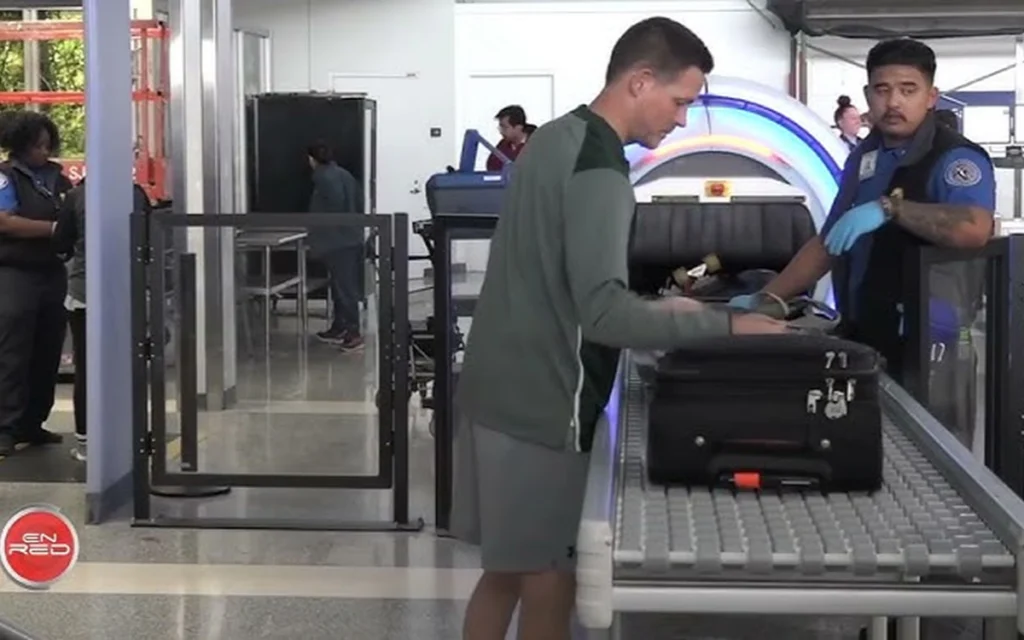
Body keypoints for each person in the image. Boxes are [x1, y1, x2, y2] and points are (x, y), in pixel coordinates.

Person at [451, 17, 788, 640]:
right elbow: (603, 315)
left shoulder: (556, 138)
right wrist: (730, 325)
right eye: (681, 101)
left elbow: (560, 275)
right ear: (640, 81)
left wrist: (667, 308)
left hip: (493, 389)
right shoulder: (602, 171)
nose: (682, 120)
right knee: (549, 577)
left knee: (504, 570)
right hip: (543, 405)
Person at [729, 39, 995, 448]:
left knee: (936, 462)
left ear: (931, 97)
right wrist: (768, 297)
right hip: (866, 338)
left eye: (908, 89)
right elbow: (829, 241)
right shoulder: (865, 155)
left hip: (932, 349)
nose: (894, 102)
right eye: (883, 89)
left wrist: (892, 209)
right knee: (867, 451)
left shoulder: (955, 158)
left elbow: (975, 228)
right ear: (868, 94)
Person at [0, 110, 77, 456]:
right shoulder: (5, 178)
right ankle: (5, 427)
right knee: (12, 352)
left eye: (48, 145)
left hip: (51, 272)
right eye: (37, 145)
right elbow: (4, 222)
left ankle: (34, 422)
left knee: (48, 351)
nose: (44, 152)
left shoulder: (58, 180)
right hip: (14, 273)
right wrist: (53, 230)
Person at [63, 177, 151, 462]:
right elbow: (147, 237)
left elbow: (60, 242)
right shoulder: (136, 195)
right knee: (125, 365)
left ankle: (86, 442)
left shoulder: (76, 197)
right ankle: (127, 436)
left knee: (87, 368)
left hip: (85, 292)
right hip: (126, 291)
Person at [306, 141, 365, 352]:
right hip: (352, 237)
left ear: (312, 159)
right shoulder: (345, 174)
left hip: (337, 240)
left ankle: (353, 332)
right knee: (342, 286)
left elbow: (334, 202)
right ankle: (340, 326)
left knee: (344, 288)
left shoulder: (322, 177)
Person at [485, 105, 530, 171]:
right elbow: (491, 167)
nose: (501, 131)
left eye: (504, 127)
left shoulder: (536, 145)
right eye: (500, 127)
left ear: (518, 127)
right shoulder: (502, 145)